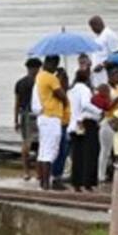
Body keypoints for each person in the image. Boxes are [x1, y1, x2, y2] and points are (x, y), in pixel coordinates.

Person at [34, 55, 67, 190]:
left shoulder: (40, 76)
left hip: (44, 117)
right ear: (50, 63)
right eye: (54, 65)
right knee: (50, 151)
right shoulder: (50, 78)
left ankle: (43, 182)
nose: (54, 68)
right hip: (51, 116)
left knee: (43, 151)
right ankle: (47, 184)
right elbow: (62, 95)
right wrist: (60, 80)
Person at [67, 68, 102, 192]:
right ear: (87, 78)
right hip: (85, 123)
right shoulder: (85, 89)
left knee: (77, 154)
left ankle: (76, 181)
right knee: (90, 153)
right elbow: (85, 104)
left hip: (74, 124)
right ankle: (88, 182)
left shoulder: (70, 90)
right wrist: (99, 111)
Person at [14, 58, 42, 181]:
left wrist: (15, 120)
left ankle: (26, 172)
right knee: (40, 144)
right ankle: (38, 172)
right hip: (38, 114)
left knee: (26, 143)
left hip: (24, 114)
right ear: (37, 68)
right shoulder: (40, 82)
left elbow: (16, 103)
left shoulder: (20, 83)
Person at [97, 64, 118, 183]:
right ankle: (100, 176)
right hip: (108, 121)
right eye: (116, 75)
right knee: (105, 151)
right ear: (109, 76)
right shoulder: (105, 88)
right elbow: (106, 106)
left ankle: (116, 174)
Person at [88, 15, 118, 88]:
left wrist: (102, 65)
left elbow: (117, 54)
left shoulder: (109, 34)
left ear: (98, 24)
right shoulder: (97, 36)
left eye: (92, 27)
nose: (92, 29)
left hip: (105, 73)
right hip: (96, 74)